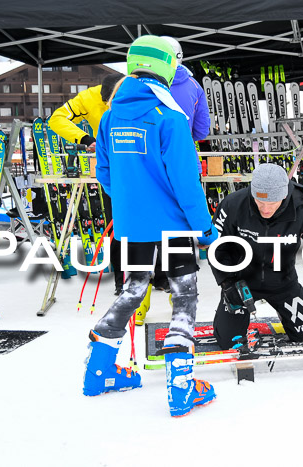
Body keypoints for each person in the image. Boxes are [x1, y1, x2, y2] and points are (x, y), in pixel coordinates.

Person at [83, 35, 219, 418]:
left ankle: (100, 372)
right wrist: (205, 229)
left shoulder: (109, 116)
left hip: (130, 226)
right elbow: (186, 183)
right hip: (172, 226)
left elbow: (105, 175)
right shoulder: (170, 118)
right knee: (184, 297)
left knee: (133, 291)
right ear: (167, 67)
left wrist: (132, 200)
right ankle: (181, 389)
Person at [210, 163, 303, 350]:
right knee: (229, 343)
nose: (266, 210)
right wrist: (227, 283)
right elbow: (217, 248)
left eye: (272, 203)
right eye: (260, 202)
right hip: (241, 284)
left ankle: (286, 314)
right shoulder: (233, 204)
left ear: (285, 195)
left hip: (284, 284)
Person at [134, 36, 211, 324]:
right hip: (181, 163)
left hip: (144, 171)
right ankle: (177, 298)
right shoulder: (193, 86)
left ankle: (140, 306)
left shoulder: (134, 86)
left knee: (143, 239)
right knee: (178, 234)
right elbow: (201, 130)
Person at [48, 73, 125, 295]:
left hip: (141, 167)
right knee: (116, 226)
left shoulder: (136, 94)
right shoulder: (88, 97)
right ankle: (121, 280)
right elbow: (57, 118)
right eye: (106, 102)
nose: (109, 105)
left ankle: (158, 277)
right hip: (110, 169)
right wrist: (85, 139)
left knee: (151, 222)